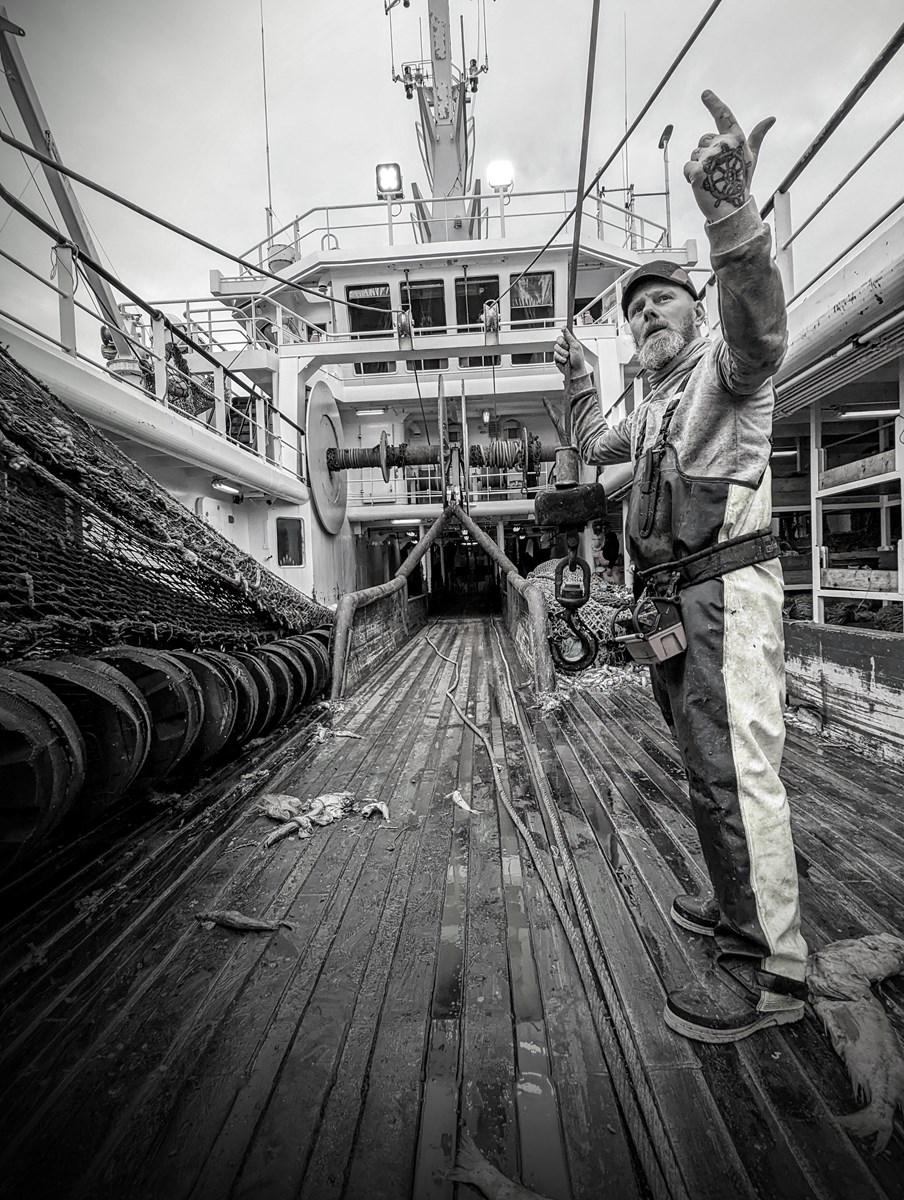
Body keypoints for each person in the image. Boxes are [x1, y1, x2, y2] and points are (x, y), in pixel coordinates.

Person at [553, 90, 808, 1043]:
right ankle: (736, 906)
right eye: (637, 309)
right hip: (674, 606)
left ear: (694, 309)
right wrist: (578, 371)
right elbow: (596, 442)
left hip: (727, 597)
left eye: (664, 299)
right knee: (706, 769)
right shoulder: (651, 400)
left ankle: (776, 972)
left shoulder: (722, 370)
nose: (649, 312)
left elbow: (760, 334)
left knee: (740, 771)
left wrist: (729, 221)